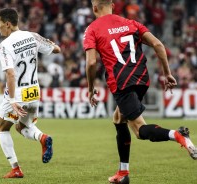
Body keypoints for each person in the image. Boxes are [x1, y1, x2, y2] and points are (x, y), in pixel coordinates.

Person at [83, 1, 197, 183]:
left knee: (140, 131)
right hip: (142, 79)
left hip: (121, 83)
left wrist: (90, 88)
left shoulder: (92, 29)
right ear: (112, 5)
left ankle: (177, 135)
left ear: (94, 8)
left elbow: (90, 63)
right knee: (118, 119)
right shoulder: (131, 23)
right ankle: (123, 173)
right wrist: (167, 73)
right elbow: (158, 45)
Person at [0, 8, 61, 179]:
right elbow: (57, 50)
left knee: (2, 128)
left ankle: (15, 169)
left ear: (7, 24)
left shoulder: (5, 45)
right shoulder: (32, 36)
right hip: (34, 92)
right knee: (21, 126)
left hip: (17, 93)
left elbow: (10, 73)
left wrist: (11, 99)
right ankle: (42, 137)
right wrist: (48, 42)